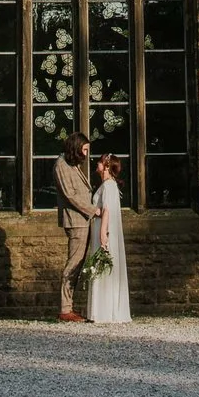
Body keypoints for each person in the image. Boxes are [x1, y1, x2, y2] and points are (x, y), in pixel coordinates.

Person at [53, 133, 100, 321]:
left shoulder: (72, 165)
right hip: (76, 221)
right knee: (73, 263)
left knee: (78, 263)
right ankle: (65, 310)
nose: (86, 154)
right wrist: (93, 210)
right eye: (85, 149)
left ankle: (69, 307)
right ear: (76, 146)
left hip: (83, 220)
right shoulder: (61, 165)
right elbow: (70, 195)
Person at [85, 154, 131, 324]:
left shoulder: (109, 186)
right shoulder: (106, 185)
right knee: (100, 266)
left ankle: (104, 311)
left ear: (106, 166)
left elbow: (107, 210)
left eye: (100, 161)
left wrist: (103, 232)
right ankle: (100, 310)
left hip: (102, 229)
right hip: (99, 226)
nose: (96, 163)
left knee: (103, 264)